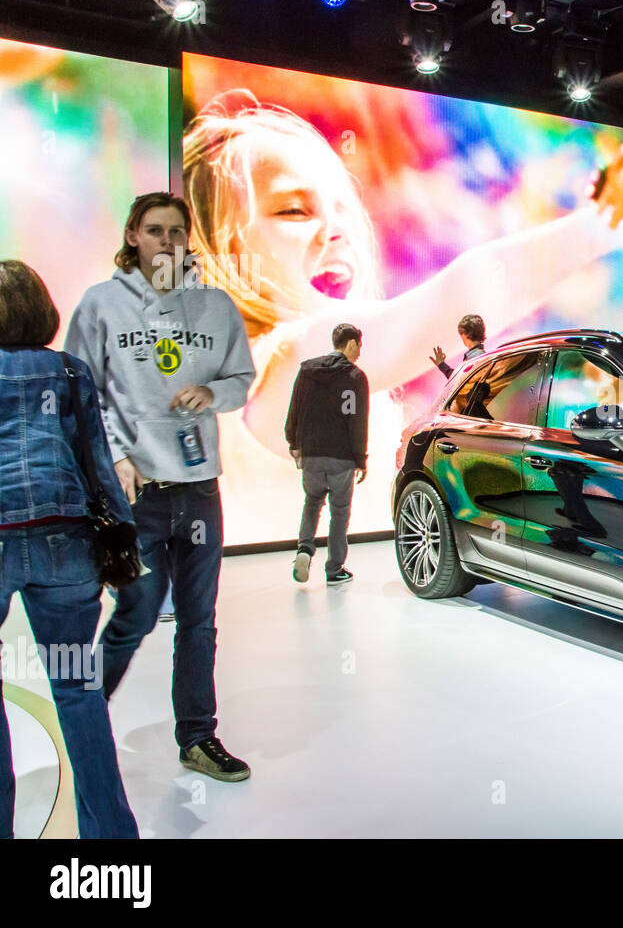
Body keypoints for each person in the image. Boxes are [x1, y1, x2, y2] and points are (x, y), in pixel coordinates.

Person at [181, 93, 623, 543]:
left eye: (340, 208)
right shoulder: (289, 354)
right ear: (213, 249)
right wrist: (601, 223)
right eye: (294, 210)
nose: (337, 229)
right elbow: (459, 297)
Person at [64, 192, 256, 782]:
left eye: (177, 232)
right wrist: (116, 458)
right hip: (135, 496)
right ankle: (84, 720)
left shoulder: (216, 308)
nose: (167, 242)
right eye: (154, 230)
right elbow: (78, 393)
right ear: (132, 236)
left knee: (199, 620)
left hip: (199, 491)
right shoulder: (101, 306)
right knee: (137, 614)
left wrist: (213, 394)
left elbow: (242, 377)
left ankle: (198, 737)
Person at [0, 260, 138, 838]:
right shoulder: (69, 372)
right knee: (79, 691)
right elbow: (99, 468)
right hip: (68, 545)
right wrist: (122, 541)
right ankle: (111, 844)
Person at [285, 323, 368, 584]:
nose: (359, 353)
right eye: (359, 346)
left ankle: (304, 549)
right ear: (352, 343)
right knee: (339, 511)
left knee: (312, 503)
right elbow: (357, 420)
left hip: (310, 452)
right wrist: (360, 457)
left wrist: (293, 441)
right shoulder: (355, 377)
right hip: (341, 455)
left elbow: (294, 409)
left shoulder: (306, 371)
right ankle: (334, 569)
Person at [430, 314, 486, 379]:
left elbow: (459, 380)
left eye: (461, 333)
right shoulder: (480, 354)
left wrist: (441, 365)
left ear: (466, 334)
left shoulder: (475, 357)